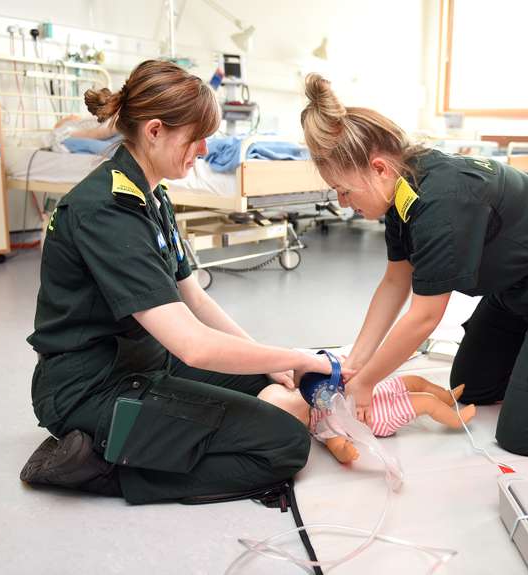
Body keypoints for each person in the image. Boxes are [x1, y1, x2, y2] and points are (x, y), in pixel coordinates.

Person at [299, 73, 528, 457]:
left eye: (344, 190)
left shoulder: (440, 201)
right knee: (474, 387)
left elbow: (424, 316)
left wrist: (368, 383)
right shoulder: (402, 191)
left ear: (378, 168)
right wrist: (357, 364)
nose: (343, 203)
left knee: (525, 434)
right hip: (517, 288)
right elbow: (395, 281)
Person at [20, 60, 337, 505]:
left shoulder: (154, 195)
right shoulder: (106, 210)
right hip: (90, 388)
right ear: (154, 131)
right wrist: (299, 355)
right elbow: (194, 346)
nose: (204, 150)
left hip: (144, 363)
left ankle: (154, 441)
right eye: (195, 137)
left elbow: (194, 300)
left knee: (283, 388)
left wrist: (277, 364)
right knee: (284, 445)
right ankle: (100, 469)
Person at [258, 377, 476, 463]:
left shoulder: (319, 392)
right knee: (426, 402)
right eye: (290, 396)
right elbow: (336, 445)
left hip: (375, 392)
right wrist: (345, 453)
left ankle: (447, 397)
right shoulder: (323, 426)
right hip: (380, 415)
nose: (294, 391)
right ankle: (456, 420)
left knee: (415, 382)